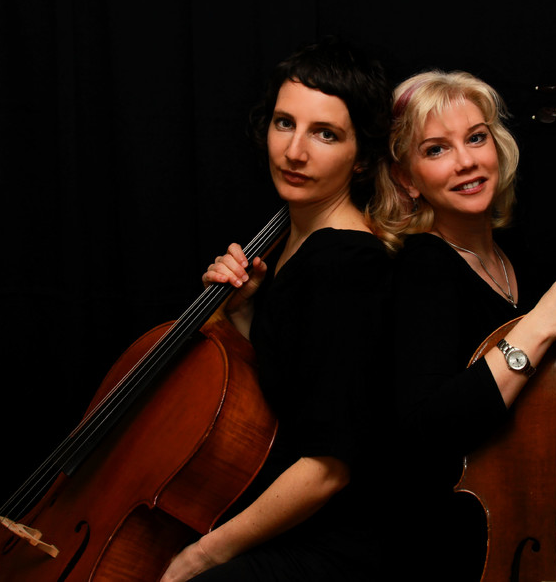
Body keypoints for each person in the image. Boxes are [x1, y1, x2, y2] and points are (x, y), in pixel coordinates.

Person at [369, 70, 556, 579]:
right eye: (436, 149)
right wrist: (540, 323)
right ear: (406, 178)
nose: (466, 161)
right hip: (460, 542)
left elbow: (555, 396)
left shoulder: (516, 257)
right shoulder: (422, 266)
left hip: (536, 514)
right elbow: (425, 431)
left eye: (476, 138)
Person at [161, 38, 393, 582]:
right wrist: (242, 314)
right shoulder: (295, 239)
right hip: (282, 517)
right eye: (285, 123)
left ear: (361, 157)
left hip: (333, 541)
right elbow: (286, 386)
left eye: (325, 133)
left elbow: (328, 467)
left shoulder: (348, 264)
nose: (294, 152)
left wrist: (202, 556)